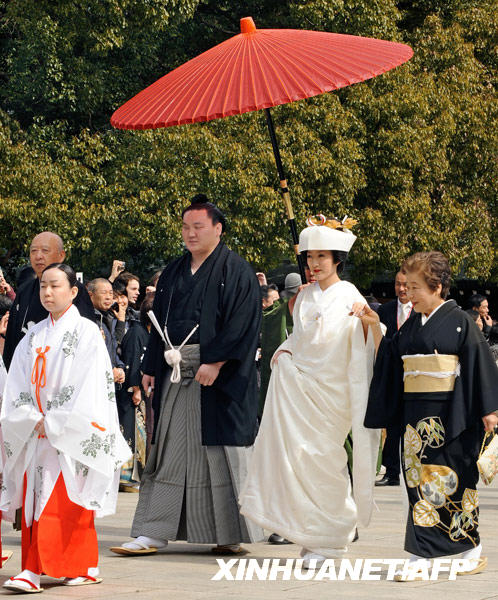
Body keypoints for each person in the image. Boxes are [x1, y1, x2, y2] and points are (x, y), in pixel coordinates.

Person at [111, 193, 262, 557]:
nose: (190, 234)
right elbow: (156, 321)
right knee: (170, 451)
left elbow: (244, 322)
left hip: (217, 375)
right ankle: (153, 531)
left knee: (220, 454)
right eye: (185, 227)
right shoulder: (175, 271)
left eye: (198, 227)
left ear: (218, 229)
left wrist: (217, 362)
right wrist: (149, 367)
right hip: (174, 368)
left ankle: (229, 533)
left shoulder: (236, 269)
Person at [239, 215, 380, 567]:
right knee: (297, 461)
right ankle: (310, 535)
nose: (314, 264)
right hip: (299, 390)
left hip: (331, 394)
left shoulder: (349, 295)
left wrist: (370, 323)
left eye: (321, 257)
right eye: (309, 258)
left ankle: (332, 539)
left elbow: (368, 342)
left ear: (337, 260)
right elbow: (298, 340)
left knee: (324, 461)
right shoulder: (303, 298)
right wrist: (286, 354)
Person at [358, 251, 498, 579]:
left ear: (436, 286)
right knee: (417, 485)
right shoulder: (411, 325)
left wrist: (490, 410)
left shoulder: (461, 320)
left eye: (416, 287)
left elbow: (480, 365)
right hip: (415, 417)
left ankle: (471, 549)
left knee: (458, 483)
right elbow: (392, 356)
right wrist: (375, 328)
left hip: (454, 415)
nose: (408, 292)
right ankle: (421, 556)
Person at [0, 263, 130, 593]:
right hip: (36, 431)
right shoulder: (33, 334)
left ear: (73, 292)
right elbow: (16, 384)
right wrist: (29, 418)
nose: (47, 292)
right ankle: (35, 567)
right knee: (38, 499)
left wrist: (56, 421)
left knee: (68, 500)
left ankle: (74, 566)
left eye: (55, 286)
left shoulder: (87, 333)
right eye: (43, 286)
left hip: (69, 432)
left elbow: (91, 386)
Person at [3, 232, 94, 370]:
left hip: (61, 372)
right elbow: (12, 337)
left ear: (61, 255)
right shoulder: (25, 290)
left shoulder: (74, 289)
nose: (38, 256)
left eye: (45, 250)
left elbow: (84, 337)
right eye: (33, 251)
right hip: (26, 371)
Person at [375, 270, 415, 487]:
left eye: (406, 285)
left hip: (413, 376)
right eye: (398, 284)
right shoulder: (386, 310)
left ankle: (412, 471)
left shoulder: (419, 310)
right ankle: (391, 472)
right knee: (392, 427)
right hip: (390, 375)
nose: (401, 289)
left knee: (410, 426)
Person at [87, 278, 125, 385]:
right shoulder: (87, 320)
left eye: (111, 293)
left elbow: (112, 347)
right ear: (90, 295)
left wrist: (119, 367)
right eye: (104, 293)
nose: (109, 297)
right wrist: (111, 369)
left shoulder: (106, 317)